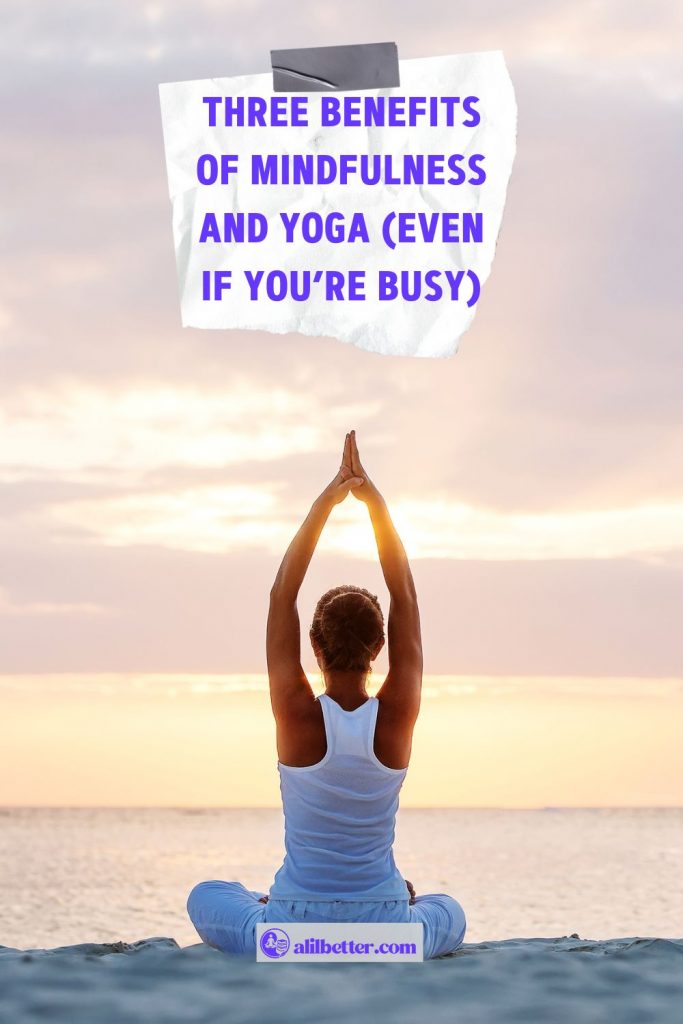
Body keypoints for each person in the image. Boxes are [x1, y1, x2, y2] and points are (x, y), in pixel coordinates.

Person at [187, 431, 466, 959]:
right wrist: (373, 503)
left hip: (292, 927)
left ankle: (289, 919)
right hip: (386, 928)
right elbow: (405, 595)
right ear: (379, 647)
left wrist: (327, 502)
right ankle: (377, 920)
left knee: (206, 895)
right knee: (449, 909)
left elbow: (281, 595)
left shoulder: (296, 714)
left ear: (313, 645)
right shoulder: (395, 717)